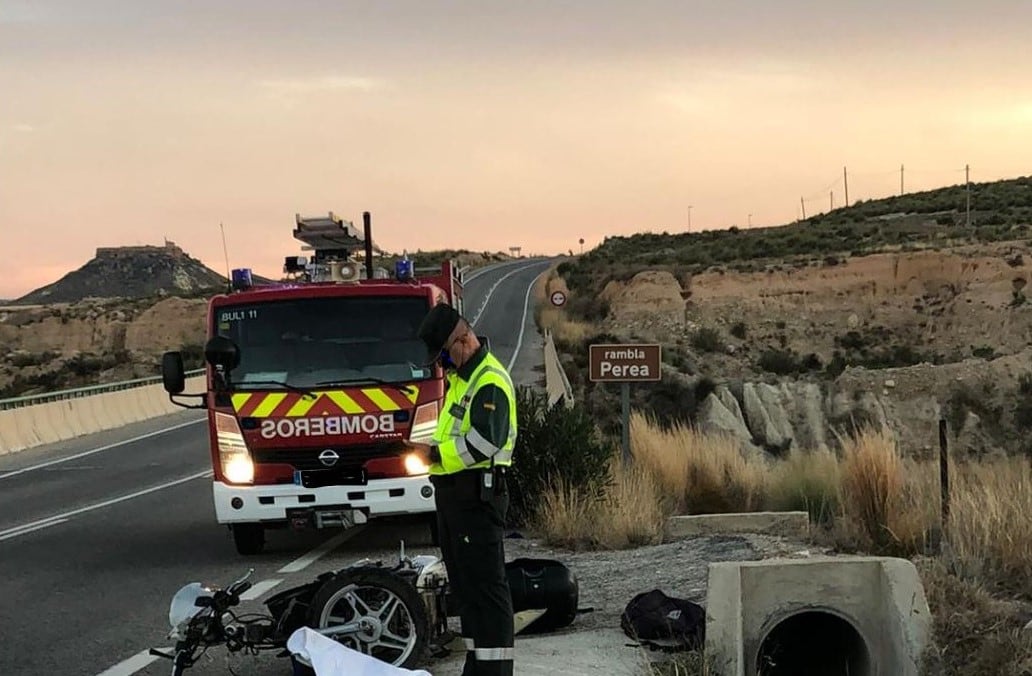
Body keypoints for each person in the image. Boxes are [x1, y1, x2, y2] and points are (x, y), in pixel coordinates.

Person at [413, 302, 518, 676]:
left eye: (441, 357)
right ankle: (478, 666)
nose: (440, 366)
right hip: (455, 497)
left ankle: (495, 671)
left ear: (460, 341)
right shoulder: (461, 380)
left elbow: (485, 443)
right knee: (466, 589)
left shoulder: (487, 380)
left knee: (486, 591)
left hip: (477, 497)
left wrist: (434, 454)